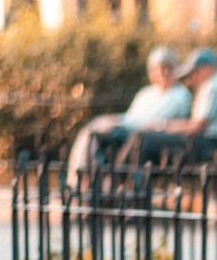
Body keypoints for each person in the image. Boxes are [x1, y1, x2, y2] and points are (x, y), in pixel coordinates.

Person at [68, 47, 193, 176]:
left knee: (107, 135)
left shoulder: (181, 94)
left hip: (149, 132)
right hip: (127, 128)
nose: (164, 73)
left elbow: (160, 120)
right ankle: (81, 177)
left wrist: (121, 123)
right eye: (159, 69)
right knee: (91, 131)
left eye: (168, 68)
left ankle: (107, 179)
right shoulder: (146, 93)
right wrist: (114, 120)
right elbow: (130, 116)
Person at [128, 48, 217, 167]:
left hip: (214, 145)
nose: (191, 79)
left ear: (206, 68)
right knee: (147, 139)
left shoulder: (213, 87)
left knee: (143, 139)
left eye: (194, 73)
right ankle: (136, 180)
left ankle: (133, 183)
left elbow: (197, 126)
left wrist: (163, 126)